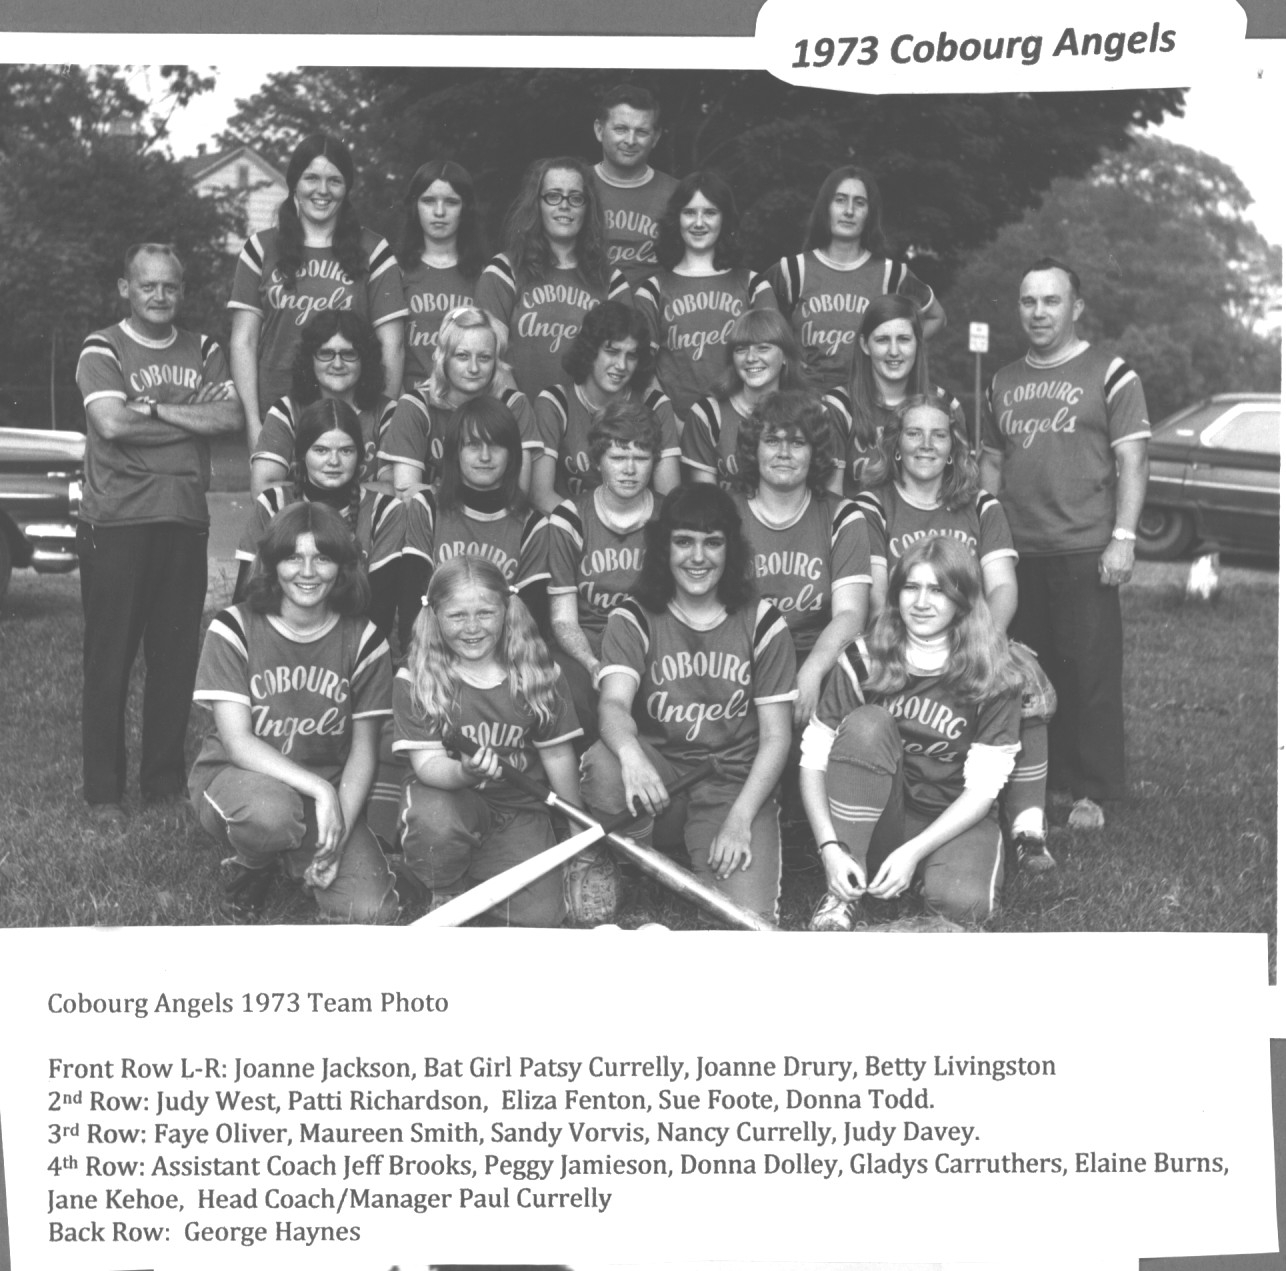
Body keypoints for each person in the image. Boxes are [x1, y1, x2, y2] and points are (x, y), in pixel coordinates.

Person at [75, 242, 242, 824]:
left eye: (170, 286)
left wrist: (153, 409)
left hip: (185, 518)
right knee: (110, 660)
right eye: (148, 285)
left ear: (182, 290)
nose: (160, 296)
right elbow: (111, 422)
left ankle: (164, 786)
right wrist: (184, 412)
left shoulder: (207, 348)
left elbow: (229, 418)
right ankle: (104, 794)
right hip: (116, 519)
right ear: (126, 288)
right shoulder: (103, 346)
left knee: (173, 660)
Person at [980, 258, 1150, 831]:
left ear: (1076, 307)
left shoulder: (1111, 372)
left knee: (1089, 673)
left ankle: (1093, 790)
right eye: (1028, 301)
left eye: (1051, 301)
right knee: (1027, 670)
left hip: (1084, 546)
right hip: (1017, 550)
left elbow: (1133, 459)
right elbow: (991, 462)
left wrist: (1122, 539)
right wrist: (985, 537)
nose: (1038, 312)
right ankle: (1040, 779)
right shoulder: (1001, 380)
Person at [581, 485, 797, 922]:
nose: (697, 557)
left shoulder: (762, 621)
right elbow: (613, 707)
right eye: (684, 541)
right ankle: (632, 859)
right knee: (604, 764)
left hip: (731, 786)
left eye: (712, 542)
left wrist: (739, 820)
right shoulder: (635, 615)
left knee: (741, 921)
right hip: (664, 780)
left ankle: (698, 852)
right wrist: (632, 757)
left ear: (730, 548)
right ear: (664, 546)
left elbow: (777, 736)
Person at [858, 395, 1056, 870]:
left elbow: (1003, 586)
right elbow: (879, 596)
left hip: (972, 637)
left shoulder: (980, 505)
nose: (926, 445)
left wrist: (984, 644)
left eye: (939, 434)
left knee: (1021, 675)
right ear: (896, 445)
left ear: (954, 448)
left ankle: (1027, 826)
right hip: (902, 639)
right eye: (913, 434)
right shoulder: (872, 503)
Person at [190, 501, 399, 924]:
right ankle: (254, 865)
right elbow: (237, 741)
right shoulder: (234, 628)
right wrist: (321, 792)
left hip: (325, 786)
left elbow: (363, 750)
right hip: (243, 780)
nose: (307, 571)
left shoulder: (365, 639)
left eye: (322, 557)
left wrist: (337, 832)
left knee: (371, 910)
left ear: (342, 566)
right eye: (293, 557)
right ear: (272, 563)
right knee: (271, 816)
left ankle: (292, 854)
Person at [801, 536, 1023, 930]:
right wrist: (830, 848)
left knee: (964, 904)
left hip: (955, 816)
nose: (922, 602)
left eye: (938, 590)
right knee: (869, 724)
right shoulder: (862, 657)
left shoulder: (993, 671)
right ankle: (844, 888)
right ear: (896, 592)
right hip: (881, 815)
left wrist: (914, 852)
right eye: (911, 587)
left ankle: (922, 869)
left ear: (963, 599)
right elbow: (814, 759)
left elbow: (984, 789)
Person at [393, 556, 584, 927]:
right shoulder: (418, 676)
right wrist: (464, 771)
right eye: (457, 616)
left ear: (507, 609)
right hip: (451, 798)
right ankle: (443, 884)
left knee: (539, 917)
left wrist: (578, 826)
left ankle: (472, 873)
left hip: (518, 809)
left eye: (485, 613)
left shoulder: (537, 671)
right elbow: (429, 764)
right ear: (434, 616)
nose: (472, 628)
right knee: (436, 824)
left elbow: (558, 754)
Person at [228, 133, 406, 448]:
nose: (322, 191)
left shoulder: (374, 251)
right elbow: (244, 341)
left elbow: (391, 345)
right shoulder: (261, 248)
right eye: (311, 178)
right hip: (278, 414)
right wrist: (254, 423)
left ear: (347, 187)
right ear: (294, 182)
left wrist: (381, 420)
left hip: (351, 420)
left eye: (334, 180)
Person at [731, 390, 871, 725]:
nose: (783, 453)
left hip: (815, 653)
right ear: (755, 448)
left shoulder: (842, 514)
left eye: (797, 443)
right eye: (772, 440)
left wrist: (811, 670)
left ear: (814, 452)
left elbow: (851, 613)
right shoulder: (726, 512)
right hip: (740, 657)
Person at [754, 165, 944, 391]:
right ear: (826, 207)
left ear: (869, 213)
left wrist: (894, 353)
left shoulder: (891, 274)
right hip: (805, 405)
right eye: (840, 200)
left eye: (860, 203)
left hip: (865, 403)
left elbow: (936, 317)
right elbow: (752, 326)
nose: (849, 211)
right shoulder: (792, 270)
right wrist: (787, 362)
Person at [235, 399, 405, 644]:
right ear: (302, 453)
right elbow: (244, 598)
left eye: (346, 450)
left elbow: (380, 615)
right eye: (321, 450)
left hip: (353, 647)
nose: (334, 461)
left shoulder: (385, 510)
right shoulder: (274, 503)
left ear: (360, 456)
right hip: (276, 643)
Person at [546, 400, 662, 742]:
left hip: (651, 645)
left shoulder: (671, 516)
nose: (629, 469)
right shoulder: (569, 518)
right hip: (588, 641)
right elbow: (564, 618)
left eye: (641, 458)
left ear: (654, 461)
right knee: (568, 690)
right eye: (617, 457)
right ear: (598, 460)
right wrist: (592, 663)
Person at [475, 156, 632, 398]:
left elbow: (622, 365)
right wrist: (526, 426)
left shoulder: (611, 280)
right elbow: (491, 361)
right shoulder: (504, 272)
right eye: (553, 196)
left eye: (576, 198)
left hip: (589, 426)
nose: (564, 205)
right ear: (536, 204)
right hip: (518, 424)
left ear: (588, 207)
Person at [531, 300, 680, 513]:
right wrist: (590, 531)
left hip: (638, 528)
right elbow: (541, 495)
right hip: (574, 529)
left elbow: (668, 500)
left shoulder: (654, 405)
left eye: (631, 356)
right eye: (612, 351)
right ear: (590, 351)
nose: (621, 365)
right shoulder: (556, 402)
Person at [635, 170, 761, 416]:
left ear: (724, 219)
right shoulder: (652, 290)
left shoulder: (753, 285)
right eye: (689, 212)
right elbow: (643, 371)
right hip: (674, 427)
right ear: (676, 218)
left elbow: (769, 366)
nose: (699, 222)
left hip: (740, 423)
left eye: (710, 212)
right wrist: (673, 423)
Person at [379, 305, 540, 497]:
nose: (473, 368)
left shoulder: (513, 405)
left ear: (496, 362)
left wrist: (436, 491)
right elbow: (407, 495)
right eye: (462, 356)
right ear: (443, 358)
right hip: (433, 523)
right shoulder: (416, 406)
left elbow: (519, 494)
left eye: (484, 357)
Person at [823, 293, 965, 495]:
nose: (894, 351)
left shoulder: (945, 405)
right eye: (882, 340)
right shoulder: (839, 406)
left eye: (904, 339)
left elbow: (959, 489)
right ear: (865, 345)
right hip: (858, 524)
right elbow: (831, 499)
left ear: (918, 342)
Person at [249, 311, 395, 497]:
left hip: (368, 524)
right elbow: (262, 488)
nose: (337, 364)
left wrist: (318, 493)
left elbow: (394, 489)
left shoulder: (387, 413)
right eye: (326, 353)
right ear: (310, 359)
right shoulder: (288, 410)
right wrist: (339, 496)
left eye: (349, 354)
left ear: (364, 360)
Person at [681, 308, 819, 490]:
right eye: (741, 349)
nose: (751, 358)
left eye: (763, 348)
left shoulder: (812, 411)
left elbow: (820, 493)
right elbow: (707, 502)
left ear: (785, 356)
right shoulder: (708, 414)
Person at [396, 159, 486, 391]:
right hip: (411, 403)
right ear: (414, 206)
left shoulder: (485, 275)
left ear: (465, 209)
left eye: (451, 202)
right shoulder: (397, 273)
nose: (439, 212)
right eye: (428, 201)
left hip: (466, 404)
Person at [590, 83, 679, 286]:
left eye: (641, 132)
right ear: (599, 130)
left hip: (652, 311)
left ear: (655, 137)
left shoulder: (677, 194)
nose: (630, 140)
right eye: (621, 129)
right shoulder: (573, 188)